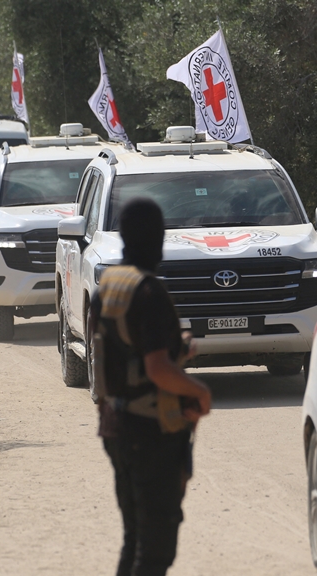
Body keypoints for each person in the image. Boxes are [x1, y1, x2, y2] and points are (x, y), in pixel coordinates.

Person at [87, 198, 212, 576]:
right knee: (154, 552)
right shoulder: (149, 292)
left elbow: (123, 359)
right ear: (158, 239)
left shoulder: (107, 287)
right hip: (151, 434)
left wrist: (178, 348)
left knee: (134, 539)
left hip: (116, 427)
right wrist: (201, 393)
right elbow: (156, 369)